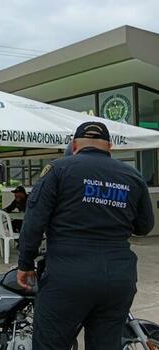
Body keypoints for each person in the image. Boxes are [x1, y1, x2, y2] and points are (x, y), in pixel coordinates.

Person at [17, 121, 154, 350]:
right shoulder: (132, 175)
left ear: (75, 145)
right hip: (118, 278)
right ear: (109, 146)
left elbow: (33, 222)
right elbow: (144, 226)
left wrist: (25, 264)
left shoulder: (58, 170)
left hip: (67, 276)